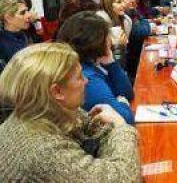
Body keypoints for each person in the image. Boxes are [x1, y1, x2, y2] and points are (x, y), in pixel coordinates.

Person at [0, 43, 141, 181]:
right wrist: (121, 126)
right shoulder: (41, 151)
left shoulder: (48, 109)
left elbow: (98, 132)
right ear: (57, 91)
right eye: (80, 77)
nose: (86, 81)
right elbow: (126, 176)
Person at [57, 12, 134, 125]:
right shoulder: (87, 77)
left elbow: (127, 93)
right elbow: (125, 119)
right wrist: (122, 101)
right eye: (108, 36)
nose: (111, 40)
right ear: (97, 41)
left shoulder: (93, 63)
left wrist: (111, 63)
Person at [0, 0, 32, 65]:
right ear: (8, 18)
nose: (29, 15)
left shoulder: (23, 35)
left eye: (27, 11)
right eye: (23, 13)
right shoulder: (3, 45)